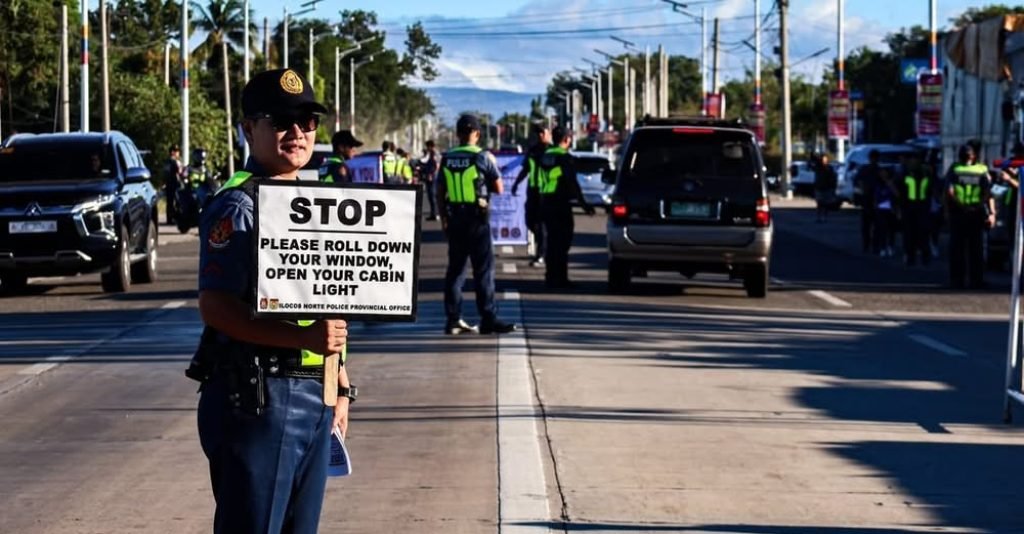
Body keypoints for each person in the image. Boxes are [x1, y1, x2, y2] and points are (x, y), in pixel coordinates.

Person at [189, 68, 354, 534]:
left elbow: (329, 298)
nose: (297, 132)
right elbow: (216, 307)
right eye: (280, 120)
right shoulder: (238, 205)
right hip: (258, 396)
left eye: (308, 120)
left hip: (314, 394)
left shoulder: (319, 198)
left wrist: (339, 380)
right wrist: (300, 336)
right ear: (248, 128)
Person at [437, 114, 516, 335]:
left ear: (457, 134)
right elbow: (499, 188)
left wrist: (444, 219)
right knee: (483, 271)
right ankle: (488, 317)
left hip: (455, 219)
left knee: (455, 271)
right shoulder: (483, 157)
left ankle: (453, 319)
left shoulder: (447, 158)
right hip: (476, 219)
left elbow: (439, 192)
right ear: (477, 134)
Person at [537, 126, 593, 288]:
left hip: (546, 202)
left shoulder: (544, 156)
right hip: (560, 205)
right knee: (562, 243)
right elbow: (572, 184)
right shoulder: (565, 158)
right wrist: (584, 205)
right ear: (567, 139)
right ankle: (560, 278)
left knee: (552, 241)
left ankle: (550, 275)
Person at [945, 143, 995, 288]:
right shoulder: (982, 170)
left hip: (959, 212)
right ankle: (976, 280)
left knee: (957, 248)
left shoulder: (954, 169)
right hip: (976, 212)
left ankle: (956, 280)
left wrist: (952, 208)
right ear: (973, 156)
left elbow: (949, 192)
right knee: (976, 249)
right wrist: (989, 211)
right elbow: (988, 192)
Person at [512, 124, 551, 267]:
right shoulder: (533, 151)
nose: (540, 135)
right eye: (538, 132)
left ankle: (541, 254)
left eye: (542, 132)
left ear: (548, 133)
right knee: (530, 221)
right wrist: (516, 184)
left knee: (541, 225)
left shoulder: (551, 151)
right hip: (532, 191)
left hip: (545, 192)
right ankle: (543, 247)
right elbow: (525, 169)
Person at [901, 153, 934, 266]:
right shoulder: (905, 175)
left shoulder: (926, 174)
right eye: (912, 161)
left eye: (916, 161)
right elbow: (900, 191)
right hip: (909, 208)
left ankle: (925, 256)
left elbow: (932, 189)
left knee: (923, 232)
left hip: (922, 207)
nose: (914, 163)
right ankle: (910, 256)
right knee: (909, 234)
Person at [854, 149, 881, 253]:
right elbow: (857, 182)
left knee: (871, 224)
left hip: (872, 198)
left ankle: (870, 244)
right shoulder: (869, 169)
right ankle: (870, 244)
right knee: (871, 223)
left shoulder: (870, 169)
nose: (874, 160)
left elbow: (857, 181)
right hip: (869, 198)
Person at [813, 153, 837, 223]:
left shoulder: (829, 168)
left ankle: (824, 217)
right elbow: (813, 164)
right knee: (819, 203)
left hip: (827, 187)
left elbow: (833, 177)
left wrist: (833, 186)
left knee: (826, 204)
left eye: (825, 159)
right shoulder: (818, 167)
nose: (824, 161)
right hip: (819, 187)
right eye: (822, 159)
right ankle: (819, 217)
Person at [163, 144, 184, 224]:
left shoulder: (167, 162)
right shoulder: (173, 161)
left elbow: (164, 173)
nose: (178, 153)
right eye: (176, 151)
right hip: (174, 183)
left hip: (169, 183)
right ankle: (174, 218)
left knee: (170, 202)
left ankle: (169, 218)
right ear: (172, 152)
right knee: (176, 201)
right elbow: (179, 172)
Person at [421, 140, 440, 220]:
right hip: (430, 176)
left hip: (432, 177)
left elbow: (437, 165)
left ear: (430, 146)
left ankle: (435, 214)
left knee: (432, 195)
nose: (427, 148)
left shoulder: (434, 153)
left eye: (427, 146)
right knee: (430, 196)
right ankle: (433, 214)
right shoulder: (431, 154)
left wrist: (431, 175)